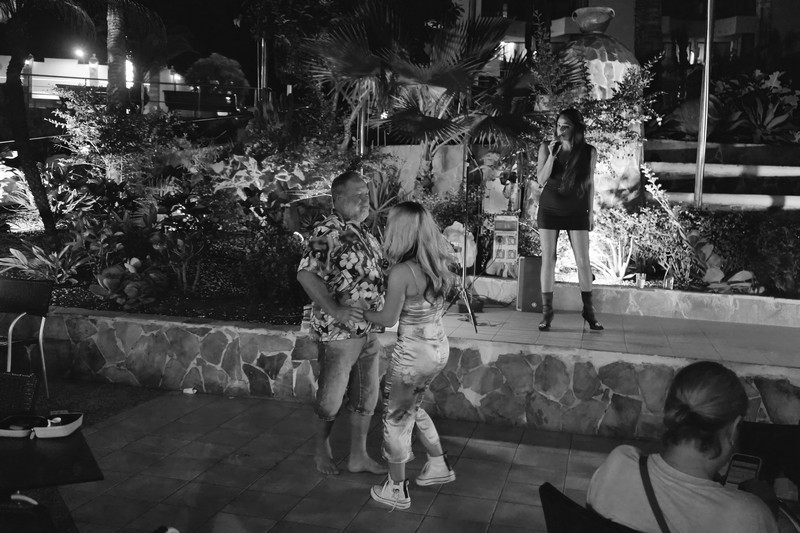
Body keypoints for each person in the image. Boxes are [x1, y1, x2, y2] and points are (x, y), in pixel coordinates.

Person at [587, 361, 779, 533]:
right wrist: (768, 507)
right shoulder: (747, 516)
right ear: (733, 428)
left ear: (672, 411)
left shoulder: (618, 464)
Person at [360, 201, 457, 510]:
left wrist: (362, 311)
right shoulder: (435, 264)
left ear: (400, 231)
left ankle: (396, 488)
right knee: (411, 407)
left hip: (413, 355)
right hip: (437, 348)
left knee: (396, 416)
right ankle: (438, 464)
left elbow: (388, 319)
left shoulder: (403, 271)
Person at [297, 171, 387, 476]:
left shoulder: (362, 233)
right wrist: (336, 310)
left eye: (366, 194)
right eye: (356, 195)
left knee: (366, 396)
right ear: (336, 199)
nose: (365, 200)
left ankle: (358, 456)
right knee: (331, 397)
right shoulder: (327, 231)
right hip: (339, 334)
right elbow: (306, 274)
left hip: (368, 330)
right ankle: (321, 448)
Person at [535, 108, 603, 331]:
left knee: (583, 261)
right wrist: (552, 156)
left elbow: (590, 183)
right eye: (558, 125)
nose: (560, 130)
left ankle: (589, 310)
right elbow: (541, 180)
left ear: (575, 128)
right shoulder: (547, 147)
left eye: (566, 126)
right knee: (549, 258)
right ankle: (547, 313)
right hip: (549, 208)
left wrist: (590, 213)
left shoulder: (588, 152)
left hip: (576, 209)